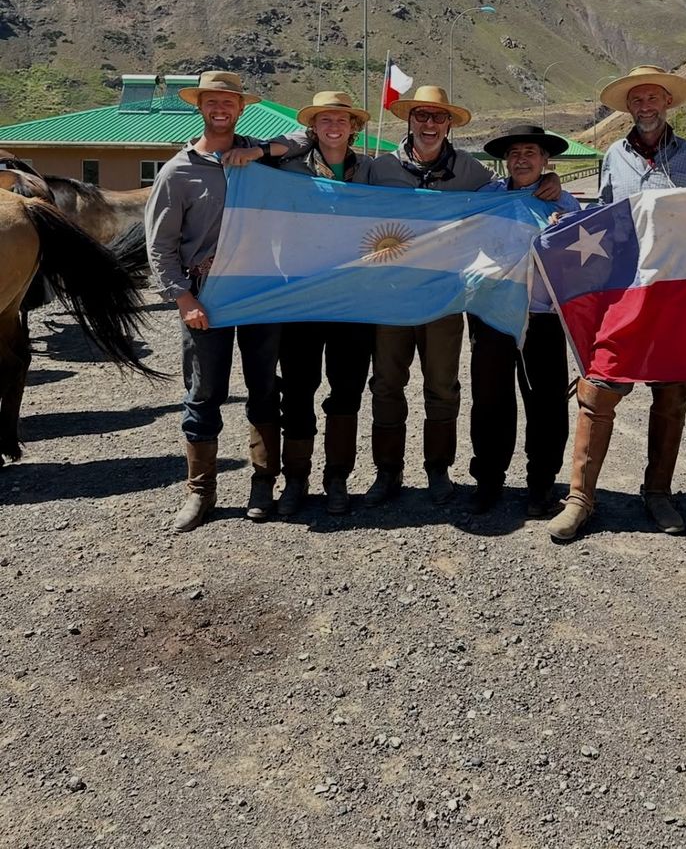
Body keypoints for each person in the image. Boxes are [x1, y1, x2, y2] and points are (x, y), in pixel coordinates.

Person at [366, 85, 563, 506]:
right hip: (451, 306)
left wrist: (554, 184)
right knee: (475, 397)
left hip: (534, 315)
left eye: (532, 153)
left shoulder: (482, 180)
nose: (430, 123)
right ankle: (470, 476)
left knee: (536, 400)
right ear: (409, 119)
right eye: (422, 115)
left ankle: (539, 483)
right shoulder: (383, 169)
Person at [548, 65, 686, 544]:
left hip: (676, 293)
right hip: (623, 291)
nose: (645, 107)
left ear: (667, 102)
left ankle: (658, 492)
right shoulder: (611, 159)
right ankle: (580, 497)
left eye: (653, 99)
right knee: (599, 387)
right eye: (636, 101)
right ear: (629, 107)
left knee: (671, 394)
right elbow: (603, 218)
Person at [144, 71, 296, 533]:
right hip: (205, 293)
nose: (221, 109)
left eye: (229, 102)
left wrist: (262, 150)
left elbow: (309, 137)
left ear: (240, 108)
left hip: (258, 291)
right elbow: (160, 246)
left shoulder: (264, 159)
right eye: (212, 101)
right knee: (204, 391)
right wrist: (183, 297)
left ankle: (263, 481)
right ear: (201, 106)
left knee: (264, 388)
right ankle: (200, 490)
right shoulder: (179, 171)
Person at [266, 92, 376, 518]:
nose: (334, 126)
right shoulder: (287, 167)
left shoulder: (372, 171)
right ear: (313, 127)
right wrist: (297, 141)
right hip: (302, 297)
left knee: (346, 391)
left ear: (354, 128)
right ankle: (295, 479)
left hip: (354, 300)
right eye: (325, 119)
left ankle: (337, 479)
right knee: (297, 389)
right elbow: (250, 156)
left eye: (342, 120)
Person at [470, 124, 581, 516]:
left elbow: (578, 263)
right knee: (490, 399)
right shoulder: (485, 199)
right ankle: (488, 480)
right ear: (505, 159)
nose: (521, 159)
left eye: (530, 152)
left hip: (543, 316)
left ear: (545, 160)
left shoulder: (565, 204)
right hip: (493, 313)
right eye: (514, 153)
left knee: (547, 401)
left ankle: (541, 484)